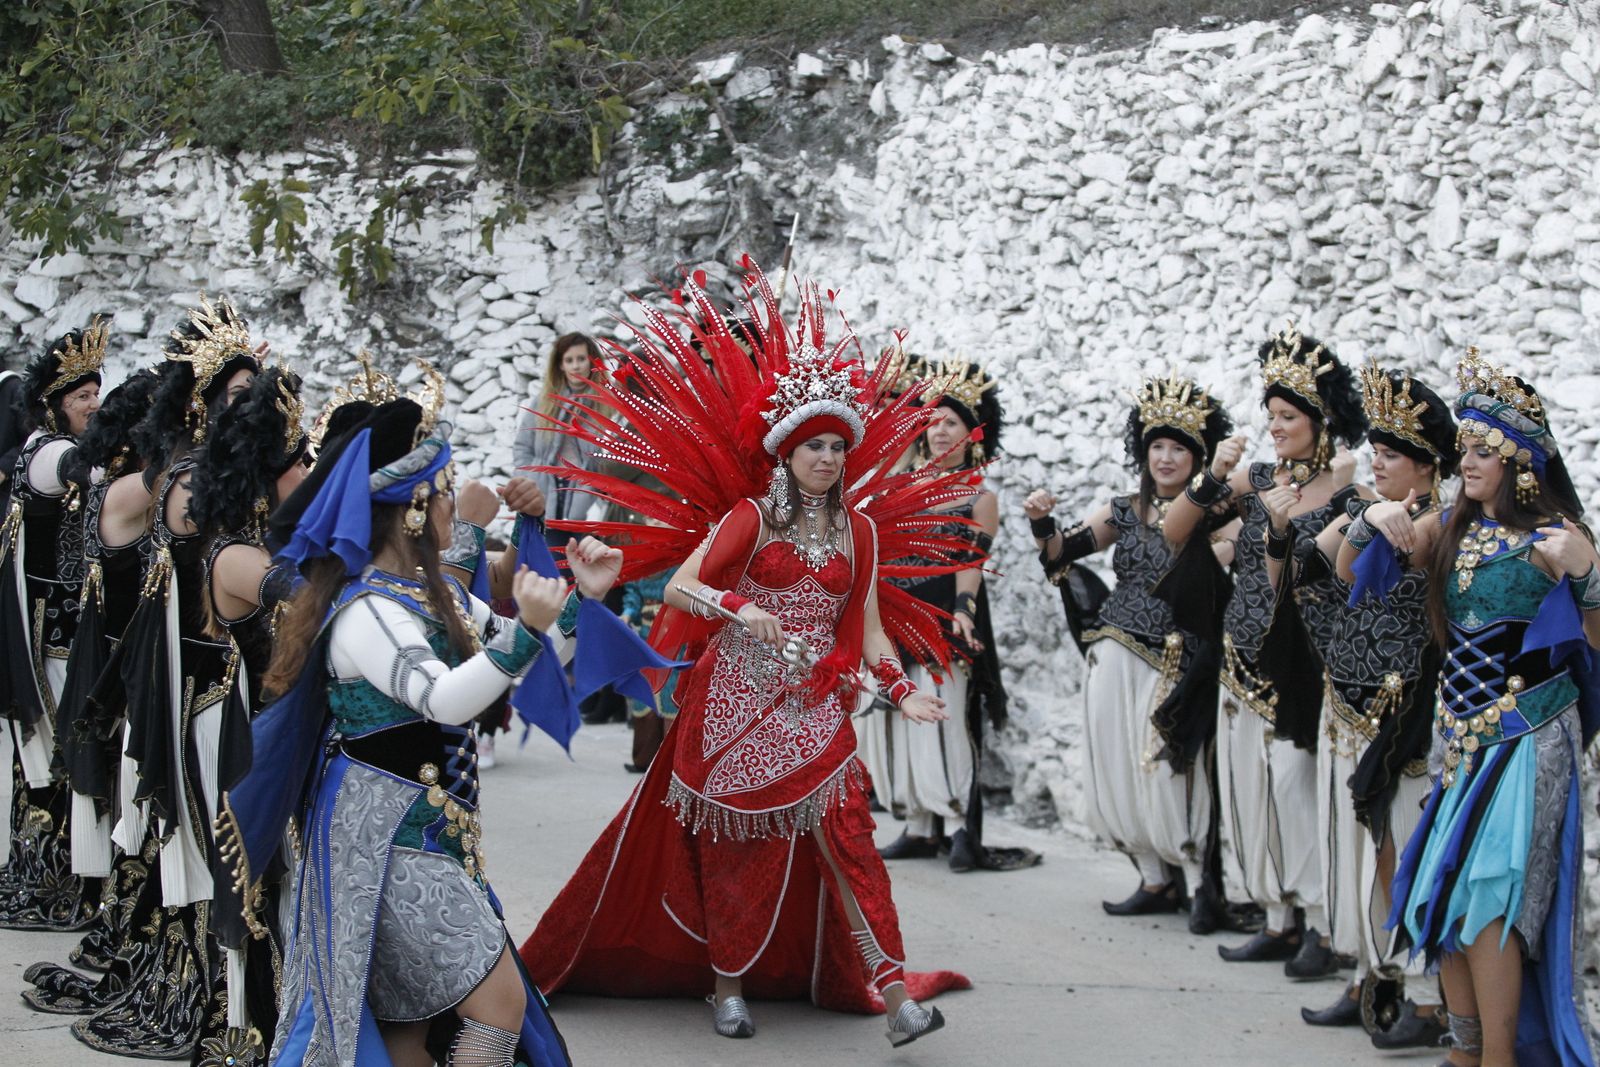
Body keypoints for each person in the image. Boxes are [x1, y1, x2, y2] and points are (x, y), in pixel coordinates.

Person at [518, 267, 972, 1046]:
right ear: (788, 453)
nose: (827, 459)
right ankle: (727, 987)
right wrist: (743, 605)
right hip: (732, 705)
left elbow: (864, 630)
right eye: (812, 446)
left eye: (836, 445)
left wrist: (899, 692)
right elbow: (685, 588)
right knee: (736, 857)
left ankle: (896, 993)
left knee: (854, 844)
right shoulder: (750, 517)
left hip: (815, 705)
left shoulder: (858, 533)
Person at [220, 393, 608, 1067]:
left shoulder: (439, 595)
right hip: (383, 844)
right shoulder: (367, 610)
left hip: (435, 834)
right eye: (446, 494)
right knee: (498, 1005)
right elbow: (446, 699)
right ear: (412, 508)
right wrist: (527, 634)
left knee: (410, 1029)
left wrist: (579, 602)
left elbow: (524, 659)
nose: (455, 508)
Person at [1379, 350, 1600, 1067]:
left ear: (1521, 462)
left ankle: (1499, 1057)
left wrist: (1589, 575)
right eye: (1464, 448)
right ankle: (1465, 1051)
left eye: (1482, 450)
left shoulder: (1554, 537)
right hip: (1464, 742)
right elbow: (1354, 570)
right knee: (1436, 893)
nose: (1466, 461)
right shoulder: (1453, 528)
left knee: (1491, 898)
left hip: (1533, 735)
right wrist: (1375, 516)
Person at [1163, 323, 1367, 976]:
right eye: (1272, 414)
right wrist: (1210, 475)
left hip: (1308, 664)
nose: (1276, 426)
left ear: (1320, 419)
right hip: (1240, 655)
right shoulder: (1255, 479)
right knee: (1252, 791)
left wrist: (1323, 502)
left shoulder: (1349, 493)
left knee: (1298, 791)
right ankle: (1277, 916)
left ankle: (1322, 921)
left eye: (1289, 416)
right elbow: (1174, 532)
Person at [1265, 361, 1452, 1046]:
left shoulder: (1442, 522)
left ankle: (1427, 998)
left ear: (1426, 467)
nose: (1378, 461)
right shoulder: (1378, 511)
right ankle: (1369, 976)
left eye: (1392, 455)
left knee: (1401, 849)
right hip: (1344, 697)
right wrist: (1362, 507)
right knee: (1353, 848)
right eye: (1376, 451)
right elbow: (1308, 569)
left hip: (1404, 710)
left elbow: (1353, 566)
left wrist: (1372, 512)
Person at [1025, 374, 1233, 923]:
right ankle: (1153, 878)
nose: (1165, 458)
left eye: (1178, 448)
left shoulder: (1214, 514)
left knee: (1168, 769)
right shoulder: (1123, 509)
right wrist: (1041, 519)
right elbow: (1058, 554)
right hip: (1111, 653)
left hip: (1173, 660)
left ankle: (1196, 882)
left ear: (1197, 456)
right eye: (1156, 447)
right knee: (1117, 762)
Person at [868, 355, 1037, 872]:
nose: (939, 432)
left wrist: (963, 611)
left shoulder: (978, 497)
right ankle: (919, 826)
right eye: (933, 420)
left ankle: (964, 828)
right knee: (902, 719)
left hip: (948, 617)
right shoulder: (899, 485)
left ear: (973, 434)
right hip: (898, 616)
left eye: (952, 423)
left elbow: (971, 561)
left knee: (951, 721)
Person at [0, 322, 106, 932]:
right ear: (55, 406)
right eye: (81, 396)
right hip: (53, 634)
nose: (93, 403)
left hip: (74, 626)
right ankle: (58, 874)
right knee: (59, 755)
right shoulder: (47, 454)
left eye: (97, 392)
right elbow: (86, 475)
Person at [512, 332, 604, 548]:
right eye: (569, 360)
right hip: (546, 496)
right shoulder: (544, 402)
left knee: (582, 568)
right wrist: (528, 478)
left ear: (592, 361)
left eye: (581, 359)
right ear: (560, 365)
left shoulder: (605, 404)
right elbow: (522, 446)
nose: (576, 366)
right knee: (549, 565)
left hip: (587, 502)